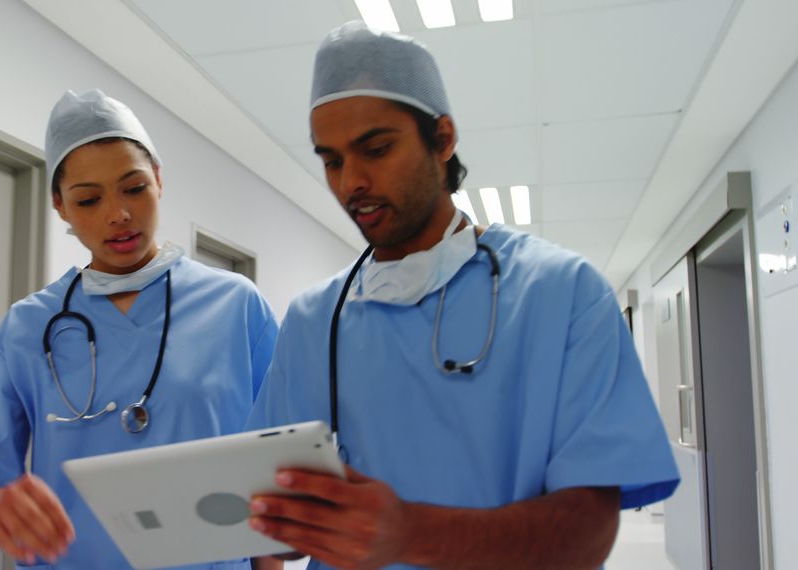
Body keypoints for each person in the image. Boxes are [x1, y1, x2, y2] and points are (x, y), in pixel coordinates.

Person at [245, 22, 679, 570]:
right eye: (331, 160)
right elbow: (272, 519)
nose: (350, 181)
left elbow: (587, 532)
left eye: (375, 149)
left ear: (443, 139)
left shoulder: (562, 294)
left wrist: (409, 533)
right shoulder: (315, 320)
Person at [0, 89, 279, 569]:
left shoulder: (237, 307)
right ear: (60, 205)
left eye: (134, 188)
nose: (117, 214)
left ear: (159, 180)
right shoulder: (28, 326)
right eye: (89, 199)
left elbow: (270, 470)